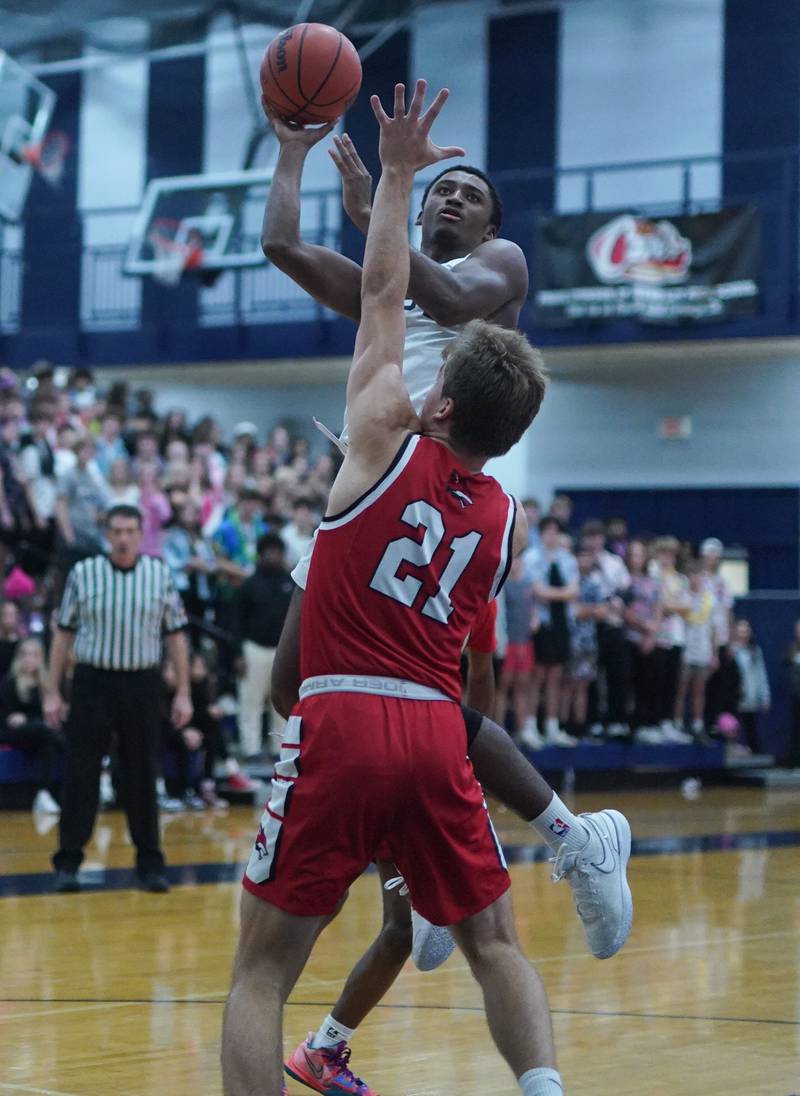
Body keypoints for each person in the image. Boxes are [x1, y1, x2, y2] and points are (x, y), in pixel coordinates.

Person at [223, 82, 631, 1096]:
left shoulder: (492, 273)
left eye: (470, 193)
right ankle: (421, 872)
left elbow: (427, 298)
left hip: (443, 472)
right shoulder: (399, 276)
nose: (453, 199)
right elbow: (284, 251)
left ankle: (569, 834)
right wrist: (309, 165)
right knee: (295, 688)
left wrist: (391, 200)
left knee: (425, 696)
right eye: (441, 190)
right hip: (387, 492)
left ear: (492, 224)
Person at [44, 504, 192, 894]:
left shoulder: (158, 575)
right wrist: (52, 690)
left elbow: (176, 636)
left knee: (143, 773)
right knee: (81, 773)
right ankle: (69, 862)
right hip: (93, 682)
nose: (123, 537)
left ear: (141, 534)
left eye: (130, 530)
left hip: (142, 683)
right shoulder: (83, 573)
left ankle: (149, 864)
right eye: (117, 531)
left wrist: (183, 692)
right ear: (107, 534)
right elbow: (63, 635)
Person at [231, 533, 294, 759]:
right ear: (260, 554)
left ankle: (281, 750)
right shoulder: (249, 585)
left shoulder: (291, 583)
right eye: (268, 550)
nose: (272, 555)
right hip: (254, 649)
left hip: (283, 651)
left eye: (276, 551)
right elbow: (236, 622)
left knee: (283, 704)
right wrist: (238, 654)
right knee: (251, 702)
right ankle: (251, 750)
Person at [524, 515, 579, 747]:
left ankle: (552, 726)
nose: (552, 536)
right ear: (542, 533)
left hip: (561, 623)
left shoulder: (567, 558)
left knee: (556, 676)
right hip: (541, 624)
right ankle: (530, 725)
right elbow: (537, 590)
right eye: (548, 531)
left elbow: (573, 591)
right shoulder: (532, 557)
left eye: (556, 532)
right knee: (537, 676)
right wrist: (560, 593)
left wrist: (553, 593)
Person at [0, 638, 63, 815]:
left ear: (40, 658)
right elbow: (6, 716)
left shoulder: (46, 686)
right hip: (11, 732)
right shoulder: (9, 682)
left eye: (33, 655)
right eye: (25, 655)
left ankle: (43, 794)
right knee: (43, 731)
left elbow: (48, 715)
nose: (29, 659)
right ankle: (68, 748)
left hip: (39, 733)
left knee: (47, 744)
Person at [495, 555, 537, 742]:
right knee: (503, 687)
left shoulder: (528, 585)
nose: (517, 564)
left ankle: (523, 730)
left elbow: (532, 611)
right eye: (515, 559)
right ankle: (498, 730)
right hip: (508, 643)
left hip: (525, 643)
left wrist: (534, 619)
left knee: (523, 686)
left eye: (520, 560)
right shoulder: (502, 586)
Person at [623, 539, 662, 743]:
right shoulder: (624, 580)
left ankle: (648, 723)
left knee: (649, 682)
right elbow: (623, 609)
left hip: (649, 639)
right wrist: (642, 626)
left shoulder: (653, 581)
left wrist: (651, 633)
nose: (636, 558)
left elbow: (658, 607)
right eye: (632, 554)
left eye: (639, 554)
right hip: (629, 638)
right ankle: (631, 725)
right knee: (630, 681)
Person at [699, 537, 737, 728]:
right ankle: (699, 723)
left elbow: (729, 612)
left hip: (721, 640)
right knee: (700, 684)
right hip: (700, 640)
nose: (712, 559)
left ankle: (714, 724)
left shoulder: (723, 582)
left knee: (718, 685)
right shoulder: (698, 579)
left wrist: (730, 640)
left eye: (716, 555)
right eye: (709, 554)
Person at [731, 618, 770, 754]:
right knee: (734, 726)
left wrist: (765, 696)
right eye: (740, 629)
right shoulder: (731, 651)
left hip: (751, 696)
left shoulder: (755, 651)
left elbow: (761, 674)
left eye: (746, 629)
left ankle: (755, 752)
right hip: (736, 696)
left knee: (751, 727)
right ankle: (734, 750)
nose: (743, 632)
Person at [784, 619, 800, 768]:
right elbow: (785, 662)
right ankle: (795, 762)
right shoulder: (792, 650)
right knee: (796, 731)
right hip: (797, 696)